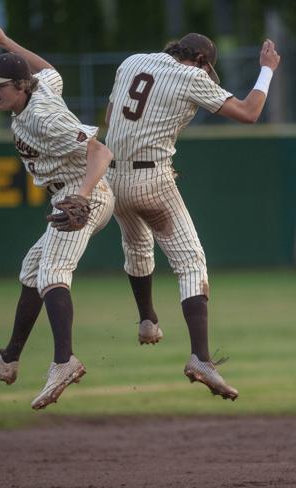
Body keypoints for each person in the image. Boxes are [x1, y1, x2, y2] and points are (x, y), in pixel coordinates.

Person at [105, 33, 280, 400]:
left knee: (137, 244)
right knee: (190, 262)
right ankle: (200, 357)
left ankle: (148, 320)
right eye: (205, 65)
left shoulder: (133, 60)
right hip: (151, 176)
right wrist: (266, 71)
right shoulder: (192, 77)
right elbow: (249, 113)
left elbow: (111, 116)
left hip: (110, 175)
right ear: (200, 59)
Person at [0, 25, 114, 410]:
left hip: (85, 193)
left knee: (53, 272)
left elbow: (101, 153)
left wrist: (82, 198)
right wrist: (5, 44)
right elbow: (49, 68)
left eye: (0, 84)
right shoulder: (39, 86)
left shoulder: (44, 117)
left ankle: (64, 362)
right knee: (33, 270)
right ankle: (8, 360)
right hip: (67, 194)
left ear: (21, 86)